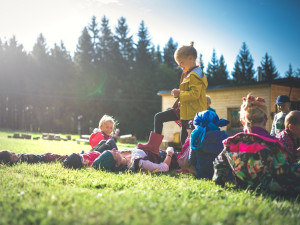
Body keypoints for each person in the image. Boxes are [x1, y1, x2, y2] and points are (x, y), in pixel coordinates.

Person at [213, 94, 300, 193]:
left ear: (243, 121)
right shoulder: (273, 144)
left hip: (245, 184)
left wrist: (219, 181)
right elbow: (285, 172)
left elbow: (219, 163)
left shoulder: (231, 143)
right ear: (265, 121)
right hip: (273, 188)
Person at [137, 42, 208, 152]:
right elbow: (189, 91)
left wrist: (180, 93)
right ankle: (153, 146)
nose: (180, 66)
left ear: (190, 58)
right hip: (183, 110)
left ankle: (186, 163)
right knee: (159, 117)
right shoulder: (189, 73)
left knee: (185, 140)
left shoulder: (195, 75)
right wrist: (180, 91)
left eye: (181, 63)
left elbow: (195, 94)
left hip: (192, 114)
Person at [188, 110, 229, 179]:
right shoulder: (223, 135)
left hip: (203, 174)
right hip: (222, 174)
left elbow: (191, 160)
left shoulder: (197, 136)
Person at [92, 147, 175, 173]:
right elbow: (164, 167)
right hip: (172, 158)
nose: (114, 149)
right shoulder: (138, 163)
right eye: (113, 153)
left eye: (111, 150)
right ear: (117, 165)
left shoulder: (121, 152)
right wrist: (170, 152)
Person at [0, 150, 67, 165]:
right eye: (12, 154)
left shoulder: (19, 156)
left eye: (13, 152)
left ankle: (67, 157)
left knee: (58, 157)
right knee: (58, 158)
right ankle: (69, 157)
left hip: (43, 156)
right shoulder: (21, 160)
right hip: (45, 158)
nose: (14, 153)